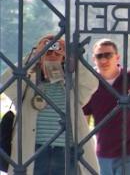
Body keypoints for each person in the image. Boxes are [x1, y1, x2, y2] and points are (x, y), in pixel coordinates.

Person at [0, 34, 99, 174]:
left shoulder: (70, 86)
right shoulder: (27, 84)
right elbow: (6, 81)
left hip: (67, 153)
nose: (52, 54)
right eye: (48, 50)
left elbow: (92, 84)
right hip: (34, 153)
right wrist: (34, 55)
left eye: (57, 51)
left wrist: (72, 58)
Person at [82, 38, 130, 175]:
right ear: (93, 59)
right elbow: (84, 117)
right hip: (103, 153)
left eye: (108, 55)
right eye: (99, 56)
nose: (103, 60)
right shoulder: (90, 83)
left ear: (117, 57)